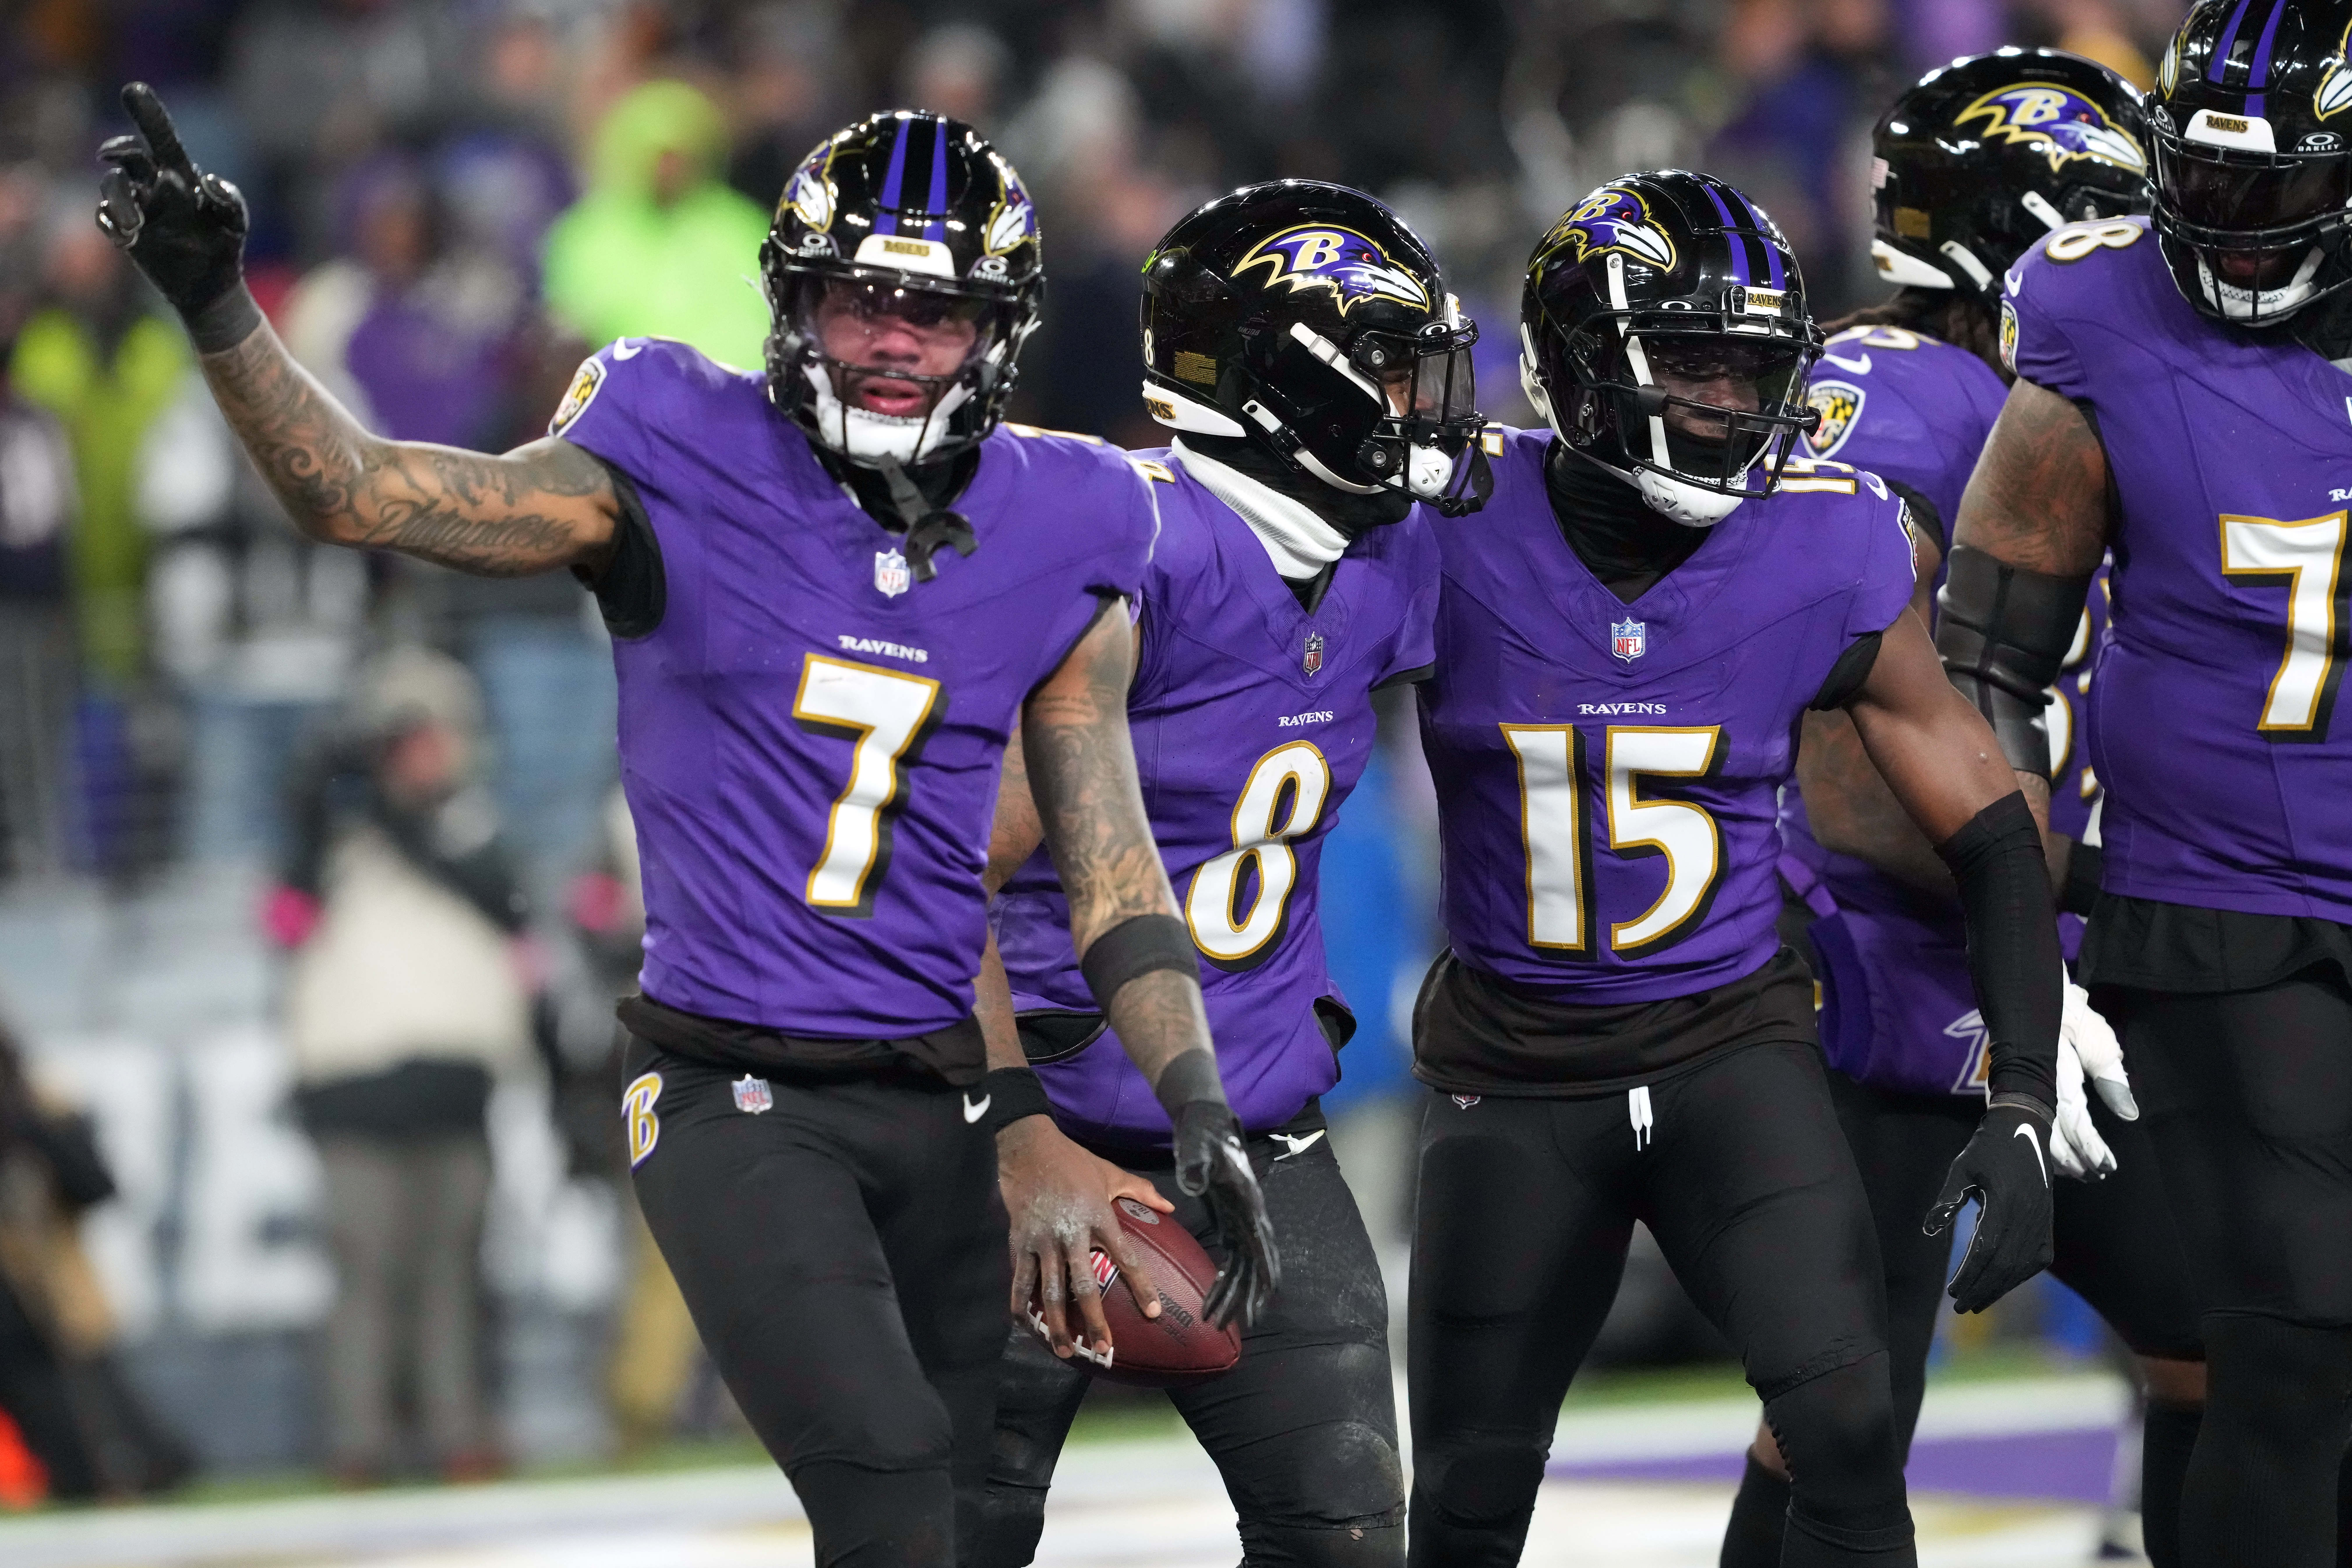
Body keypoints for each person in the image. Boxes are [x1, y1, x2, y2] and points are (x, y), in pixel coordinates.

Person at [94, 90, 1278, 1567]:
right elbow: (365, 494)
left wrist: (1197, 1098)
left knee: (976, 1521)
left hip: (942, 1099)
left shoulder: (1068, 513)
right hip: (737, 1087)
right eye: (863, 298)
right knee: (892, 1483)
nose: (896, 341)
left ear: (1003, 330)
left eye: (938, 309)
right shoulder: (679, 440)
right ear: (794, 298)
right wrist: (222, 311)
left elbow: (1107, 866)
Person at [1404, 170, 2066, 1568]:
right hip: (1516, 1070)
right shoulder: (1446, 527)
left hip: (1733, 1046)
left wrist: (2018, 1094)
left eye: (1751, 366)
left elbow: (1992, 828)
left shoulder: (1824, 540)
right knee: (1467, 1495)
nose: (1725, 401)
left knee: (1846, 1429)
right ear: (1579, 366)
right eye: (1689, 360)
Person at [1715, 50, 2211, 1568]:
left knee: (2227, 1318)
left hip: (2021, 953)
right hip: (1889, 956)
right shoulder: (1912, 399)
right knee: (1846, 1403)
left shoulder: (2016, 395)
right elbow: (1844, 748)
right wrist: (2035, 920)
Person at [969, 181, 1485, 1568]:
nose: (1422, 401)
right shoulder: (1136, 546)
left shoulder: (1390, 555)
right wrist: (1016, 1137)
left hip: (1252, 1130)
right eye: (1387, 369)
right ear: (1283, 386)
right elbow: (940, 876)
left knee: (1349, 1527)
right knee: (949, 1526)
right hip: (1030, 1126)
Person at [1933, 3, 2352, 1562]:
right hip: (2222, 902)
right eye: (2206, 186)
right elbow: (1988, 654)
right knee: (2294, 1336)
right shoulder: (2097, 310)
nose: (2231, 236)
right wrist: (2010, 928)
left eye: (2275, 196)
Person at [270, 645, 532, 1485]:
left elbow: (502, 902)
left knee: (454, 1274)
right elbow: (285, 922)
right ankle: (361, 1444)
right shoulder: (333, 840)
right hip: (354, 1087)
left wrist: (395, 810)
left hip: (456, 1085)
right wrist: (320, 803)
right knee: (366, 1272)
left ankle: (459, 1434)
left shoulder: (472, 830)